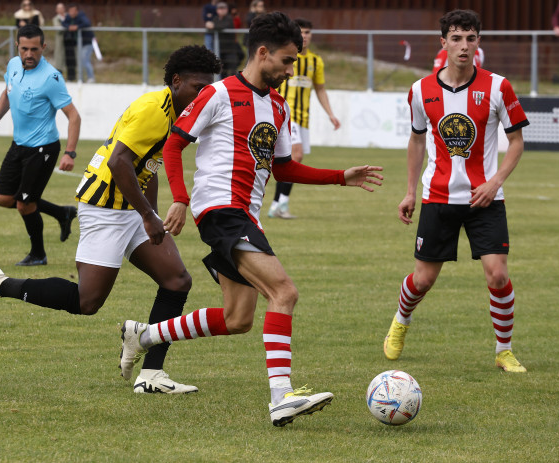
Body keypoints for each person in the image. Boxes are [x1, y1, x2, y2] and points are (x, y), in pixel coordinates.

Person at [119, 12, 383, 427]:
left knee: (237, 318)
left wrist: (340, 178)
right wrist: (181, 200)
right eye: (287, 60)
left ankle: (145, 334)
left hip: (246, 217)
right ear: (263, 53)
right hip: (222, 210)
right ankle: (281, 396)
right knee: (284, 292)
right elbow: (173, 146)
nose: (291, 69)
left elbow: (282, 169)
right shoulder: (218, 94)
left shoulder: (278, 106)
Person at [0, 45, 222, 395]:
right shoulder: (153, 111)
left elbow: (149, 163)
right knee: (88, 302)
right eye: (197, 87)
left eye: (209, 88)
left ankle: (152, 374)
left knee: (177, 282)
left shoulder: (178, 111)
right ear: (176, 81)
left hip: (130, 207)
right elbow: (119, 162)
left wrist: (151, 213)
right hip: (105, 209)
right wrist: (148, 215)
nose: (203, 95)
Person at [383, 9, 530, 373]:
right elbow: (417, 142)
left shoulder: (498, 86)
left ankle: (504, 350)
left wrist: (495, 182)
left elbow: (516, 142)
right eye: (456, 37)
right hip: (438, 198)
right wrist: (409, 192)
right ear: (443, 42)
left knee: (497, 274)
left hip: (486, 199)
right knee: (423, 279)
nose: (463, 45)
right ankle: (401, 321)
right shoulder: (421, 90)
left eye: (471, 38)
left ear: (478, 42)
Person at [0, 25, 80, 266]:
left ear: (43, 48)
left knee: (25, 204)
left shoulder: (51, 78)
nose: (29, 54)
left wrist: (69, 153)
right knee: (2, 198)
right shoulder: (13, 65)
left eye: (34, 49)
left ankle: (38, 255)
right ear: (17, 46)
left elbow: (74, 116)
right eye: (24, 48)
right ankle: (61, 212)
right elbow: (7, 93)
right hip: (19, 145)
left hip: (43, 149)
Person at [268, 19, 341, 219]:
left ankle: (276, 204)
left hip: (303, 117)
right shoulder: (284, 57)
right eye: (301, 32)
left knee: (289, 159)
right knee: (296, 155)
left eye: (308, 32)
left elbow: (320, 89)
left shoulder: (316, 61)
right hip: (285, 115)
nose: (305, 36)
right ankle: (281, 204)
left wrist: (330, 114)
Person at [63, 3, 95, 83]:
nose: (71, 13)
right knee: (80, 60)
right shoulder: (68, 17)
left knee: (85, 59)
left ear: (77, 11)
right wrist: (69, 27)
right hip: (79, 43)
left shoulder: (81, 16)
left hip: (87, 42)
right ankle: (81, 78)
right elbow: (64, 23)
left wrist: (77, 27)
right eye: (70, 11)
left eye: (73, 11)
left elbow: (87, 23)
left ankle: (91, 78)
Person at [206, 2, 239, 78]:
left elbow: (223, 26)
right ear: (217, 10)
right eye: (220, 8)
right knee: (221, 70)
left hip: (230, 50)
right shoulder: (216, 18)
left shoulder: (229, 18)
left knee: (231, 70)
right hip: (219, 49)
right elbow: (210, 31)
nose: (222, 10)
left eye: (223, 8)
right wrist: (210, 26)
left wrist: (212, 25)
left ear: (227, 9)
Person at [52, 3, 67, 74]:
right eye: (59, 8)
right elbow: (58, 28)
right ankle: (59, 74)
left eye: (62, 8)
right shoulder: (56, 19)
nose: (60, 10)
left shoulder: (68, 16)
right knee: (59, 57)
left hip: (70, 40)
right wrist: (68, 26)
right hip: (60, 39)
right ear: (56, 10)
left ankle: (72, 76)